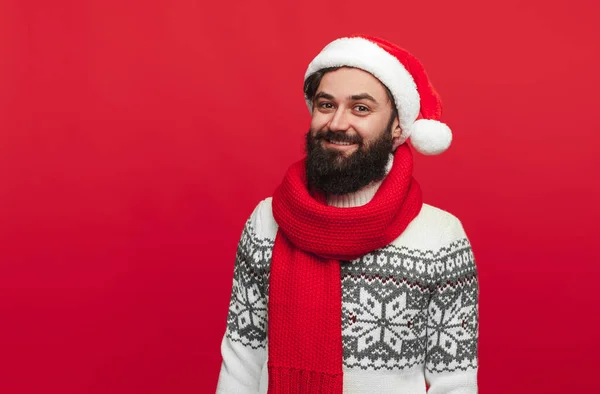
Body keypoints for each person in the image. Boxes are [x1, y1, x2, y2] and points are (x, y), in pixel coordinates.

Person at [215, 35, 479, 394]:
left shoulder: (440, 236)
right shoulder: (267, 220)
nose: (338, 123)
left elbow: (455, 381)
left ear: (398, 127)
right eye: (326, 104)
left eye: (361, 109)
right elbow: (241, 360)